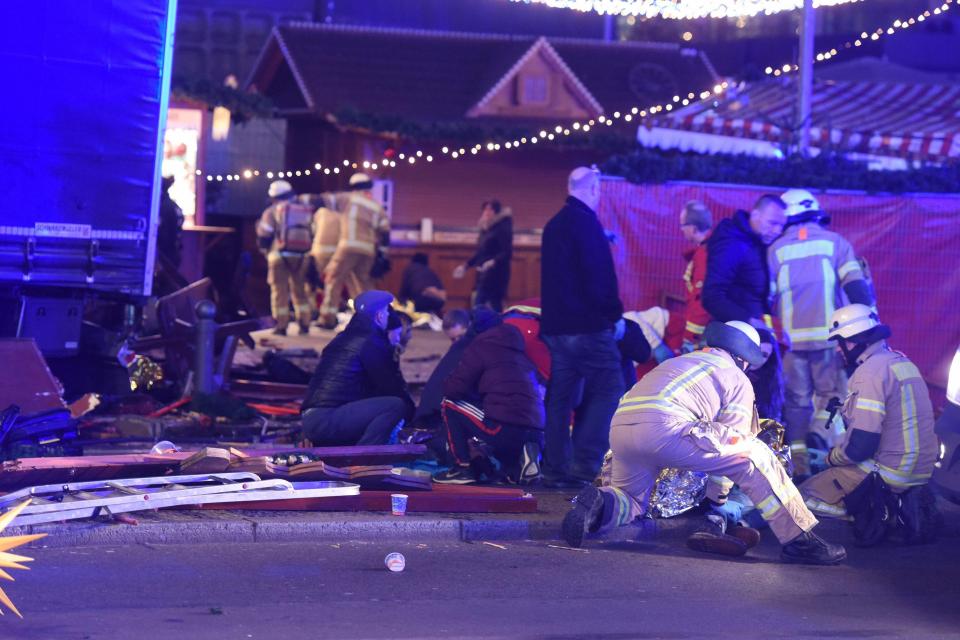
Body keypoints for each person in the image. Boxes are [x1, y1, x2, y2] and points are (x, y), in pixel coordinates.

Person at [561, 320, 846, 565]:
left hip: (621, 430)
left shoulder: (679, 362)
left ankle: (600, 505)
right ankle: (800, 539)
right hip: (665, 429)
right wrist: (717, 499)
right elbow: (733, 438)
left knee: (631, 499)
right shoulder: (736, 376)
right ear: (743, 356)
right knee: (755, 454)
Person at [769, 189, 874, 476]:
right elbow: (856, 287)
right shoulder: (835, 243)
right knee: (834, 396)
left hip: (791, 343)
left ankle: (799, 464)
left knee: (796, 402)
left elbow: (766, 297)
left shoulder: (775, 250)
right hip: (832, 340)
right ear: (816, 213)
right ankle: (828, 453)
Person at [800, 304, 937, 520]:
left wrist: (830, 459)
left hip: (890, 474)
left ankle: (869, 509)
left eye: (840, 342)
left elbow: (861, 447)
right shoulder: (902, 362)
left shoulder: (869, 373)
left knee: (802, 495)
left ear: (855, 340)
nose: (838, 349)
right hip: (920, 472)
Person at [540, 167, 625, 488]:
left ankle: (553, 467)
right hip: (588, 327)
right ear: (594, 189)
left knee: (560, 400)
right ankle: (585, 464)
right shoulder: (588, 224)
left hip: (557, 329)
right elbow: (598, 278)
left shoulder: (554, 225)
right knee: (609, 390)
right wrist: (614, 314)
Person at [434, 310, 544, 485]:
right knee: (501, 420)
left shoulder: (480, 346)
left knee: (449, 404)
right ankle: (522, 460)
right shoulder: (519, 349)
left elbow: (455, 388)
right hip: (536, 429)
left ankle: (462, 468)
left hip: (504, 427)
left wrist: (445, 383)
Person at [300, 290, 414, 445]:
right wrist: (415, 416)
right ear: (380, 316)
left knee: (380, 406)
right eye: (387, 313)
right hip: (328, 419)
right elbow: (390, 386)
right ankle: (366, 457)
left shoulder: (342, 338)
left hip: (313, 419)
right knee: (394, 405)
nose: (388, 316)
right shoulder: (372, 342)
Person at [702, 194, 787, 330]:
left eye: (782, 225)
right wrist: (748, 320)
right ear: (755, 215)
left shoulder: (755, 242)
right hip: (734, 336)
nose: (778, 231)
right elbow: (712, 296)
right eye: (772, 223)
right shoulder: (733, 245)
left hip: (747, 334)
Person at [318, 173, 390, 329]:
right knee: (364, 285)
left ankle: (327, 319)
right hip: (368, 251)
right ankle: (375, 320)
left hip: (348, 248)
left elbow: (322, 200)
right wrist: (382, 254)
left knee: (334, 278)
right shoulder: (376, 206)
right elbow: (385, 233)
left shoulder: (347, 198)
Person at [256, 180, 315, 335]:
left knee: (279, 290)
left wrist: (265, 251)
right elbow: (313, 232)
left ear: (273, 196)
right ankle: (305, 323)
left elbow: (264, 234)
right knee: (300, 290)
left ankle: (281, 325)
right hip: (302, 256)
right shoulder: (305, 211)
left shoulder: (272, 211)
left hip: (279, 256)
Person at [453, 200, 513, 311]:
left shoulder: (503, 227)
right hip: (484, 272)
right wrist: (465, 266)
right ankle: (495, 325)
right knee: (487, 302)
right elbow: (480, 252)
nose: (486, 212)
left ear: (496, 211)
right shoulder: (486, 229)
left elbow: (507, 251)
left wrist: (493, 261)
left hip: (497, 273)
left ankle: (485, 325)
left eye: (489, 209)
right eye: (485, 209)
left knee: (485, 302)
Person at [679, 201, 713, 352]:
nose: (681, 230)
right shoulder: (709, 249)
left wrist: (691, 338)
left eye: (682, 225)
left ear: (693, 228)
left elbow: (700, 299)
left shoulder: (703, 254)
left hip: (705, 332)